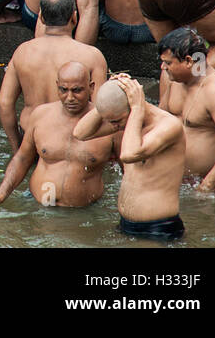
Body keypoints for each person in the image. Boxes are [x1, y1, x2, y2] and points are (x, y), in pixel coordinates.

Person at [0, 62, 119, 208]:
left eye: (77, 90)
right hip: (36, 203)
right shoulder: (41, 115)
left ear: (91, 87)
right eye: (63, 90)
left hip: (85, 212)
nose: (70, 97)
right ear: (57, 86)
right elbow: (22, 158)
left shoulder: (109, 124)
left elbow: (129, 168)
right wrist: (2, 192)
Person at [72, 76, 186, 241]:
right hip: (126, 225)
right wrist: (110, 96)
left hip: (158, 228)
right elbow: (80, 133)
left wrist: (137, 108)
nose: (114, 126)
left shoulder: (169, 125)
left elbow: (129, 154)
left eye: (117, 121)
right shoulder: (124, 120)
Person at [0, 0, 108, 151]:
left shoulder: (23, 52)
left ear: (40, 17)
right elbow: (102, 110)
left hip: (32, 139)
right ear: (74, 17)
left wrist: (17, 149)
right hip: (73, 141)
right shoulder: (92, 56)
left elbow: (3, 104)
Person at [158, 27, 215, 191]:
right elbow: (160, 118)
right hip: (182, 176)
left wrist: (206, 186)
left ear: (188, 61)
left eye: (168, 63)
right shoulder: (172, 78)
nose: (163, 67)